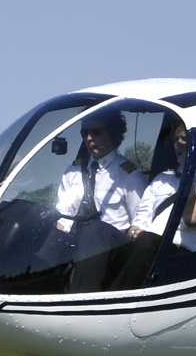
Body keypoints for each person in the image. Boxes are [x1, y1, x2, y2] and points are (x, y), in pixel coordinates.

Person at [111, 120, 196, 290]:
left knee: (149, 240)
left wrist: (188, 171)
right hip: (146, 248)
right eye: (176, 139)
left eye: (184, 138)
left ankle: (119, 300)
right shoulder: (163, 178)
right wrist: (135, 232)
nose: (178, 143)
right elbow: (139, 221)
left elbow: (193, 217)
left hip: (184, 260)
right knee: (98, 232)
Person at [55, 111, 148, 292]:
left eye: (96, 132)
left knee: (94, 230)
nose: (89, 138)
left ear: (112, 133)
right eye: (84, 133)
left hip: (112, 250)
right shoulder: (73, 171)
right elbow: (64, 216)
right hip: (76, 243)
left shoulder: (128, 176)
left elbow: (140, 223)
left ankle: (80, 300)